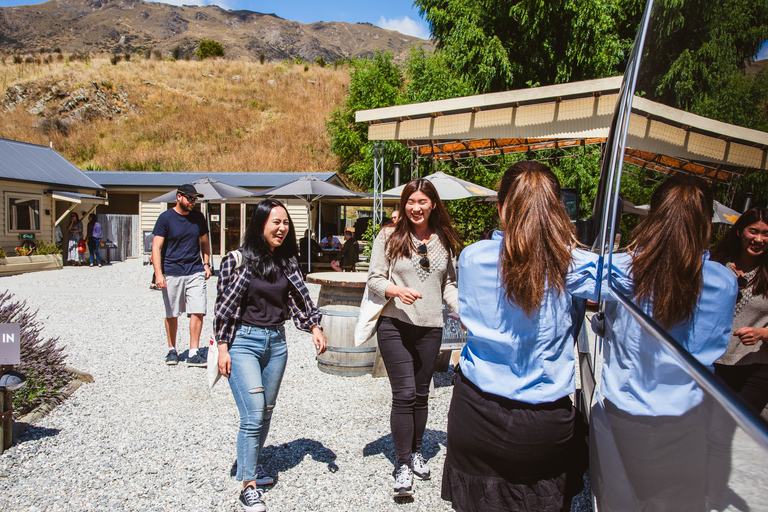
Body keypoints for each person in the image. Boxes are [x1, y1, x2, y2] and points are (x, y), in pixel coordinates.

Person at [441, 161, 598, 512]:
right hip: (542, 423)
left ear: (500, 209)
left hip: (475, 411)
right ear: (557, 212)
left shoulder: (472, 258)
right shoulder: (575, 267)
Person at [597, 174, 737, 512]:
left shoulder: (622, 270)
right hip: (685, 419)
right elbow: (712, 350)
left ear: (654, 216)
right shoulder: (723, 281)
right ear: (706, 223)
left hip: (623, 413)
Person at [214, 199, 327, 512]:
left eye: (286, 223)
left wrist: (314, 328)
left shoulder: (287, 261)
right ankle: (248, 485)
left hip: (277, 343)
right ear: (260, 224)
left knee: (265, 410)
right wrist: (222, 346)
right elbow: (223, 307)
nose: (282, 228)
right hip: (243, 343)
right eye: (276, 222)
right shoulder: (235, 260)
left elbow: (297, 302)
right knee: (252, 413)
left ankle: (253, 463)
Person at [367, 178, 463, 497]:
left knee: (421, 394)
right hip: (394, 323)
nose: (416, 207)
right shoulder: (389, 236)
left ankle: (418, 449)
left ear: (433, 204)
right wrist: (395, 290)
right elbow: (374, 281)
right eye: (410, 201)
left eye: (422, 202)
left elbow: (448, 283)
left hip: (431, 327)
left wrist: (461, 309)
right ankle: (403, 463)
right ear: (403, 204)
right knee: (405, 393)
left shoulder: (444, 240)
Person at [711, 207, 768, 412]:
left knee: (733, 432)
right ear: (739, 232)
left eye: (766, 233)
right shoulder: (714, 263)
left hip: (755, 369)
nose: (759, 239)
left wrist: (761, 333)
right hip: (710, 363)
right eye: (753, 231)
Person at [152, 184, 211, 367]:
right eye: (190, 198)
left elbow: (205, 242)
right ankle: (172, 350)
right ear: (179, 197)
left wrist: (207, 264)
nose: (193, 202)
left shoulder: (198, 218)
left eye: (195, 199)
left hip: (195, 271)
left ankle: (193, 352)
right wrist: (158, 274)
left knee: (198, 309)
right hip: (172, 271)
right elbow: (156, 248)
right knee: (172, 313)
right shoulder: (165, 218)